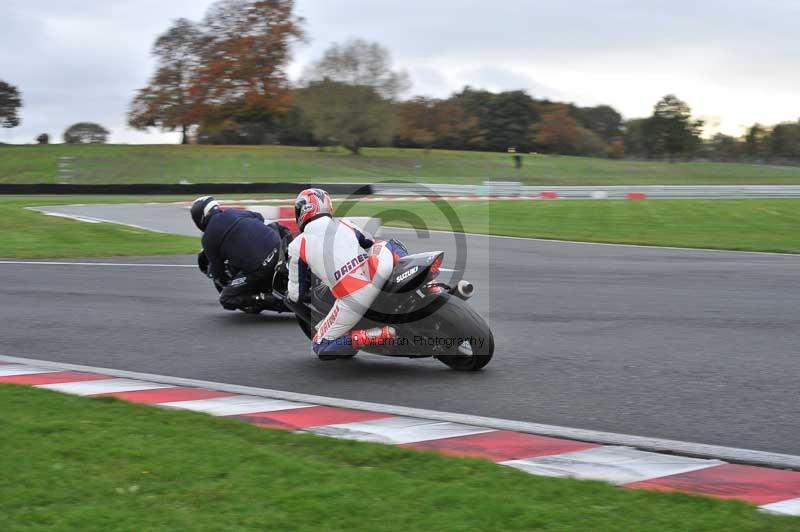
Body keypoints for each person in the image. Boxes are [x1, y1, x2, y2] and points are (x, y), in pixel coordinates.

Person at [286, 188, 406, 358]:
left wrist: (291, 296)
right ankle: (424, 285)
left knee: (321, 346)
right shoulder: (345, 223)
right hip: (378, 271)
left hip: (353, 298)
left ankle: (381, 334)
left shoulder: (296, 245)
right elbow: (369, 242)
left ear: (303, 211)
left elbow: (296, 294)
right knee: (389, 244)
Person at [191, 196, 292, 313]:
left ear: (201, 217)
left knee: (226, 298)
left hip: (261, 267)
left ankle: (272, 299)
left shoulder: (207, 239)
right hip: (278, 247)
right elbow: (259, 217)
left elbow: (218, 271)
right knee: (276, 226)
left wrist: (221, 278)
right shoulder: (232, 212)